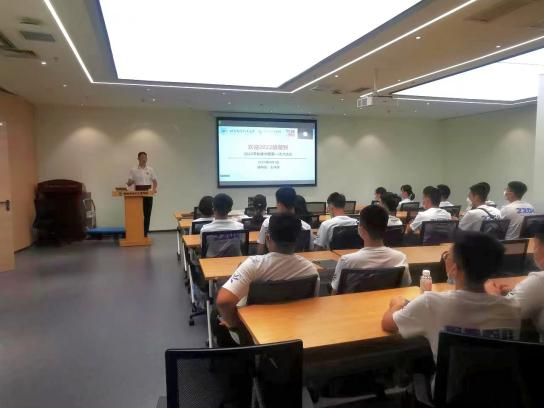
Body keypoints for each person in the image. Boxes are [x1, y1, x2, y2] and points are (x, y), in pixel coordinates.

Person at [381, 231, 521, 358]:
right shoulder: (512, 308)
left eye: (447, 256)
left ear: (454, 269)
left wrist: (397, 304)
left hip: (448, 380)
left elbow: (387, 324)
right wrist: (495, 297)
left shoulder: (430, 303)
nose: (445, 258)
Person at [216, 213, 319, 342]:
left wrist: (234, 325)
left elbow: (223, 302)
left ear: (268, 238)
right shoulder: (310, 269)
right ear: (298, 240)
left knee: (215, 317)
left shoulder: (253, 265)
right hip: (294, 332)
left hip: (255, 332)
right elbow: (311, 306)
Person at [331, 205, 411, 293]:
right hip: (387, 301)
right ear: (386, 228)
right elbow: (405, 286)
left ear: (361, 230)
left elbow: (335, 293)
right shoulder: (400, 258)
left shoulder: (347, 261)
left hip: (355, 302)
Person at [488, 223, 544, 341]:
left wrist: (493, 294)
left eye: (535, 245)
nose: (534, 250)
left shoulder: (539, 280)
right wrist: (521, 292)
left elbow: (502, 314)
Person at [257, 187, 313, 254]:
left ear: (279, 204)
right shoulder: (306, 227)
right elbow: (310, 251)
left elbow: (260, 251)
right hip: (297, 260)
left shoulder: (267, 223)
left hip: (272, 260)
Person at [126, 151, 157, 237]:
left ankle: (145, 233)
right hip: (138, 196)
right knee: (138, 215)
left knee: (147, 215)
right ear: (138, 159)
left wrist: (154, 189)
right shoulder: (133, 170)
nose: (144, 159)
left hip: (148, 195)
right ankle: (137, 232)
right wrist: (129, 183)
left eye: (145, 157)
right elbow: (129, 182)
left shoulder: (150, 169)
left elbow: (155, 182)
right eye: (142, 157)